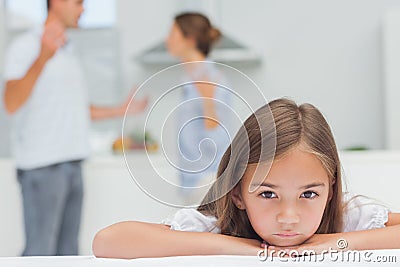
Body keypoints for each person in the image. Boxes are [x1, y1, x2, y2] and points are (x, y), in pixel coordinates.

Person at [92, 98, 400, 259]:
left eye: (308, 194)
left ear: (331, 191)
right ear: (237, 193)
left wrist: (331, 243)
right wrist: (245, 248)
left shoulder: (348, 217)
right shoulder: (217, 226)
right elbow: (108, 241)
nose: (289, 217)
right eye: (268, 194)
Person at [2, 0, 147, 256]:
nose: (84, 9)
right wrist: (42, 59)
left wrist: (120, 111)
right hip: (43, 167)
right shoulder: (26, 46)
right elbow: (11, 102)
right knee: (39, 253)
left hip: (72, 163)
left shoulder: (69, 51)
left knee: (68, 254)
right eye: (78, 3)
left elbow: (76, 108)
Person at [165, 12, 232, 196]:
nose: (167, 40)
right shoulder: (191, 78)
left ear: (190, 40)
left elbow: (218, 138)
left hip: (207, 181)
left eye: (172, 34)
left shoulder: (210, 79)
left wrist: (209, 102)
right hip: (192, 181)